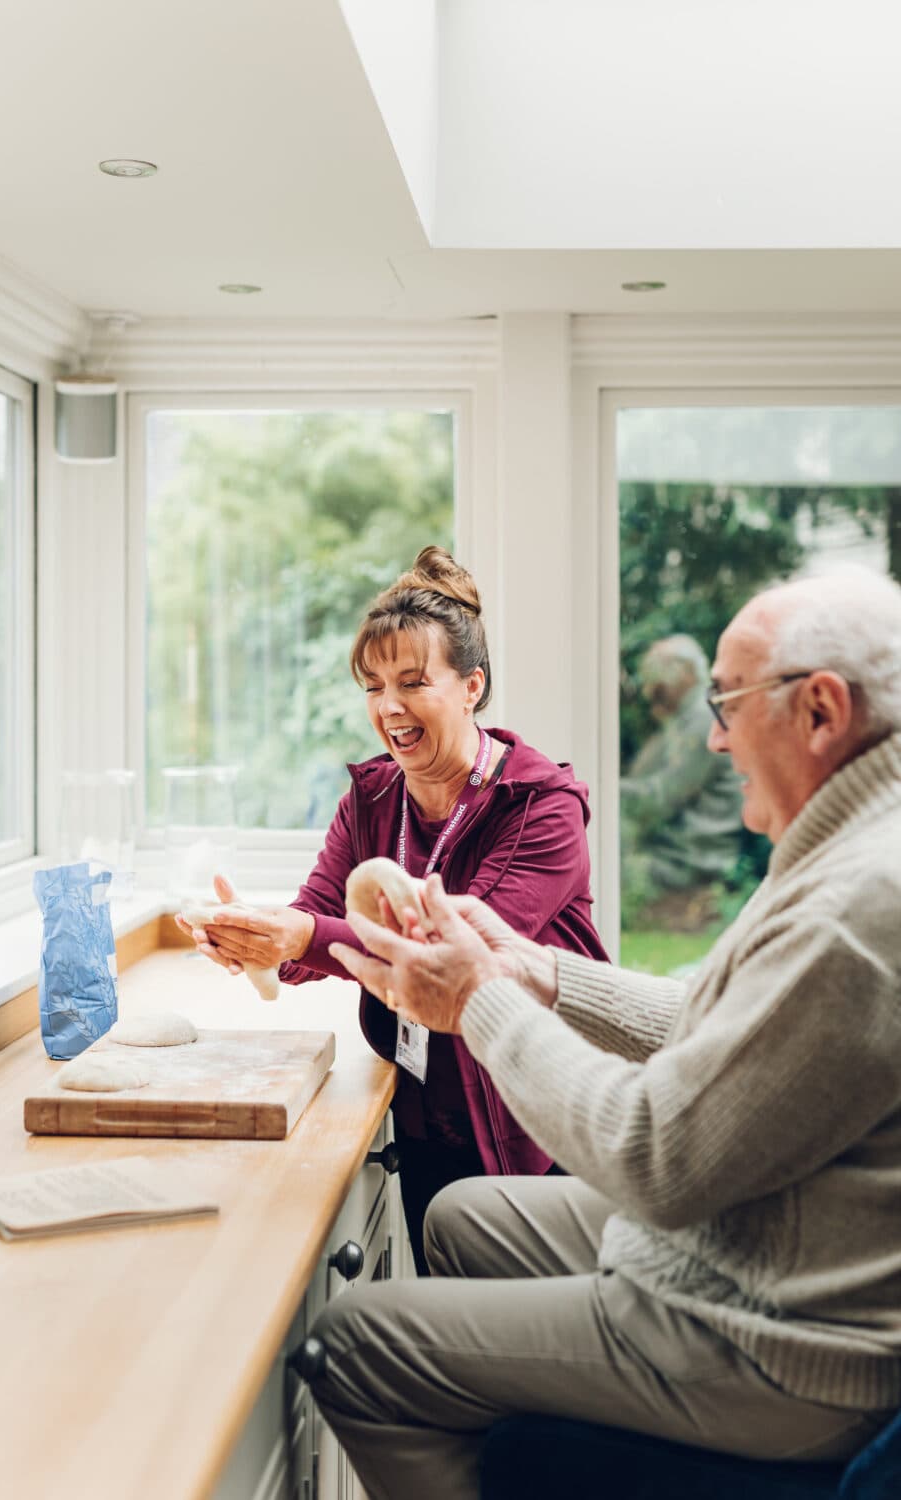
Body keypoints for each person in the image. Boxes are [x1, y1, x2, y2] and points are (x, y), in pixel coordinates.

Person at [304, 568, 901, 1500]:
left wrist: (480, 1004)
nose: (711, 737)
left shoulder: (859, 903)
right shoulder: (851, 846)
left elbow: (654, 1154)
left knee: (354, 1344)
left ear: (821, 711)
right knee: (460, 1215)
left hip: (789, 1334)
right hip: (750, 1242)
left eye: (727, 704)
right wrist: (532, 969)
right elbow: (725, 1021)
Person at [177, 546, 608, 1272]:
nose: (388, 707)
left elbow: (455, 957)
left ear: (472, 686)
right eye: (373, 685)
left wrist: (305, 936)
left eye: (413, 682)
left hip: (540, 1125)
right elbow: (315, 916)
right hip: (428, 1109)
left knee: (529, 1353)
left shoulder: (540, 807)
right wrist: (257, 937)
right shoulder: (372, 797)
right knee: (462, 1337)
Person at [620, 633, 743, 911]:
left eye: (656, 681)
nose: (648, 692)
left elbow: (662, 798)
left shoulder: (701, 721)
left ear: (685, 674)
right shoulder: (681, 720)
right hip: (677, 851)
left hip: (691, 860)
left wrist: (603, 790)